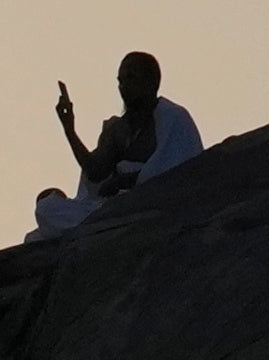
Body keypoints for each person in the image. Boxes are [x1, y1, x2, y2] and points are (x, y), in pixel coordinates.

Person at [37, 51, 205, 230]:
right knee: (47, 207)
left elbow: (179, 171)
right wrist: (69, 130)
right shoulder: (117, 129)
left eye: (131, 78)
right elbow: (95, 172)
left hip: (152, 200)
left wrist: (126, 180)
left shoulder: (174, 117)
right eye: (120, 80)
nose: (124, 86)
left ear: (152, 82)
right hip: (113, 206)